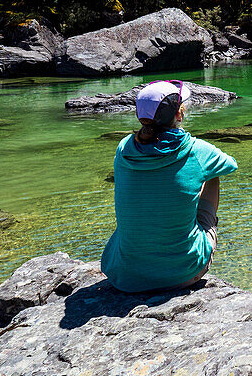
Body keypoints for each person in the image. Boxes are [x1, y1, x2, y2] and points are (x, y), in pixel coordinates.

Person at [101, 80, 237, 293]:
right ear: (179, 115)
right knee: (212, 174)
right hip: (183, 273)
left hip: (126, 276)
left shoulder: (124, 148)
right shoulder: (195, 149)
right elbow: (230, 164)